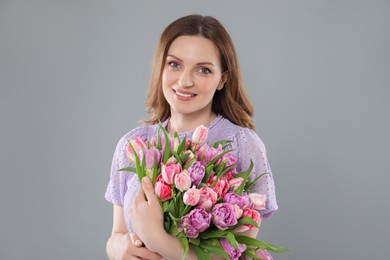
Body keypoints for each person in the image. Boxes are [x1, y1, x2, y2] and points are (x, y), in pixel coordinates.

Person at [105, 14, 278, 260]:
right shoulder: (134, 145)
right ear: (160, 66)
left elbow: (243, 253)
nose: (185, 81)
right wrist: (116, 247)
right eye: (174, 64)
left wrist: (159, 240)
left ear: (223, 79)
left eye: (203, 70)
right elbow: (117, 234)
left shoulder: (242, 144)